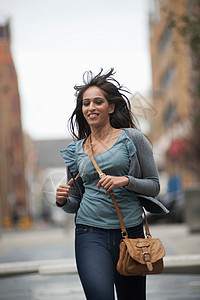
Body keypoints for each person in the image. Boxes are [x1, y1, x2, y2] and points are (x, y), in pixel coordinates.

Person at [56, 69, 162, 300]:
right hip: (89, 232)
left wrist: (125, 180)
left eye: (97, 102)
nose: (91, 107)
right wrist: (63, 201)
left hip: (131, 233)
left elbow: (154, 186)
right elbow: (74, 202)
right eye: (86, 103)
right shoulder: (76, 150)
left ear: (111, 107)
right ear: (82, 110)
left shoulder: (132, 138)